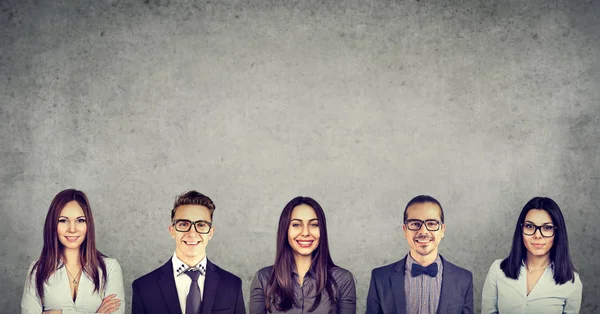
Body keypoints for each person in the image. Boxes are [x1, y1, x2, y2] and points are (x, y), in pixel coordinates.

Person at [132, 190, 245, 314]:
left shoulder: (232, 284)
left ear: (211, 233)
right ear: (172, 230)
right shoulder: (144, 287)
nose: (192, 233)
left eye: (201, 225)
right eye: (184, 224)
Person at [21, 189, 124, 314]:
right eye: (63, 220)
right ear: (53, 224)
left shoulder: (110, 268)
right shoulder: (38, 270)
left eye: (80, 220)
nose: (72, 229)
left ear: (88, 224)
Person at [366, 195, 473, 314]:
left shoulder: (464, 279)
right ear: (405, 230)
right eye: (415, 224)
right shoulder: (380, 277)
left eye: (432, 224)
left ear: (442, 230)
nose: (423, 231)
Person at [249, 196, 356, 314]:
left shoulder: (343, 280)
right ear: (285, 230)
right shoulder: (263, 279)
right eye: (296, 225)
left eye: (314, 225)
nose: (305, 232)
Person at [481, 197, 582, 313]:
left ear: (557, 232)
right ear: (521, 229)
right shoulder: (497, 270)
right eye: (529, 226)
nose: (537, 235)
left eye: (547, 228)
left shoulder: (571, 281)